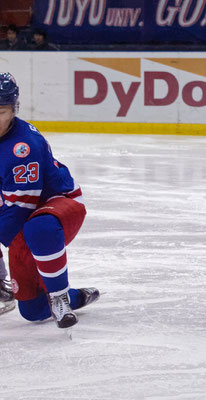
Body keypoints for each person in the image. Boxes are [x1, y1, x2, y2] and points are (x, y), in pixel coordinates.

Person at [0, 72, 98, 328]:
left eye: (0, 111)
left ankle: (59, 297)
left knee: (38, 227)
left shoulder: (22, 147)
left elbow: (20, 211)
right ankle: (75, 296)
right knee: (31, 311)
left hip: (59, 203)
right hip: (17, 211)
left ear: (13, 111)